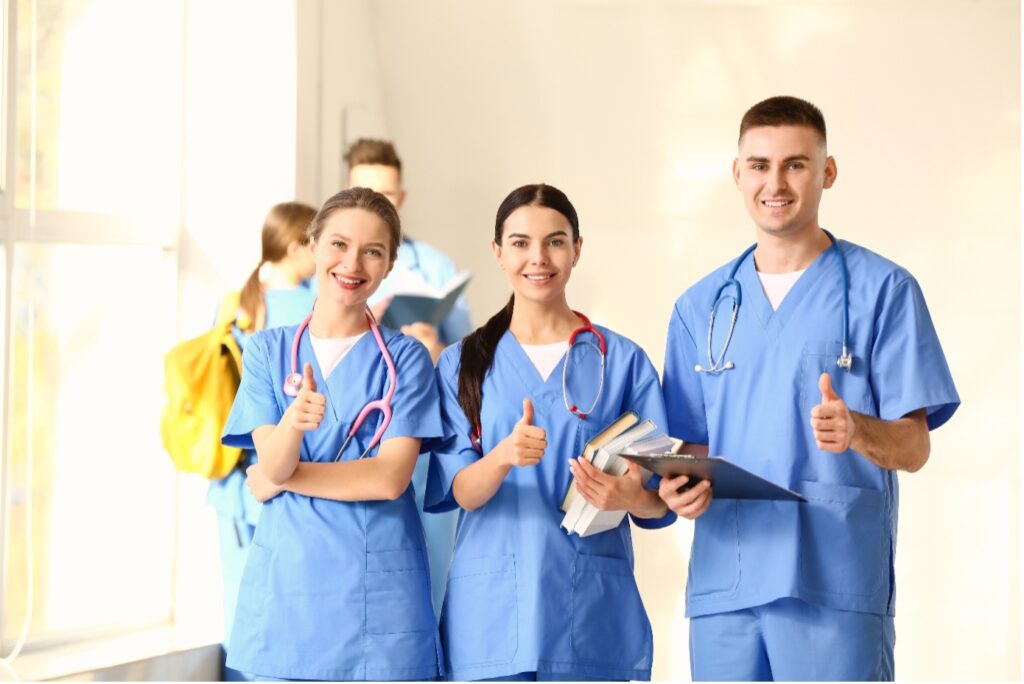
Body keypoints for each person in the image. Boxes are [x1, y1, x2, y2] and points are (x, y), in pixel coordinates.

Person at [660, 96, 960, 681]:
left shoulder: (884, 291)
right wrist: (677, 488)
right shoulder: (701, 307)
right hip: (728, 583)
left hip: (835, 583)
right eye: (759, 165)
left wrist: (857, 430)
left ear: (827, 172)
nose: (775, 182)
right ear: (737, 173)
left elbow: (915, 448)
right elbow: (691, 447)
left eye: (795, 164)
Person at [426, 183, 675, 681]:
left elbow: (659, 503)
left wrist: (626, 496)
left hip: (587, 605)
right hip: (491, 613)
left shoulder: (621, 361)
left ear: (577, 249)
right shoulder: (462, 363)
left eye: (555, 241)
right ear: (497, 252)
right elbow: (460, 491)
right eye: (519, 243)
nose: (537, 257)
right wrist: (500, 457)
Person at [221, 187, 444, 681]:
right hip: (291, 594)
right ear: (314, 245)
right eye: (339, 244)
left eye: (373, 251)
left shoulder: (405, 358)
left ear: (388, 266)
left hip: (377, 602)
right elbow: (273, 462)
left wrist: (280, 478)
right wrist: (293, 424)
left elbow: (388, 479)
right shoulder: (266, 351)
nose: (353, 262)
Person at [345, 137, 468, 619]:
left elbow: (467, 360)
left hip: (418, 452)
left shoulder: (433, 268)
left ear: (402, 199)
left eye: (388, 196)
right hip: (348, 448)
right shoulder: (330, 269)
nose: (378, 205)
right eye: (366, 193)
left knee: (424, 589)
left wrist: (435, 350)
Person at [205, 202, 317, 677]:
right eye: (317, 243)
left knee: (239, 598)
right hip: (283, 478)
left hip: (231, 479)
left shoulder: (236, 303)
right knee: (290, 603)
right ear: (295, 247)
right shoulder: (310, 310)